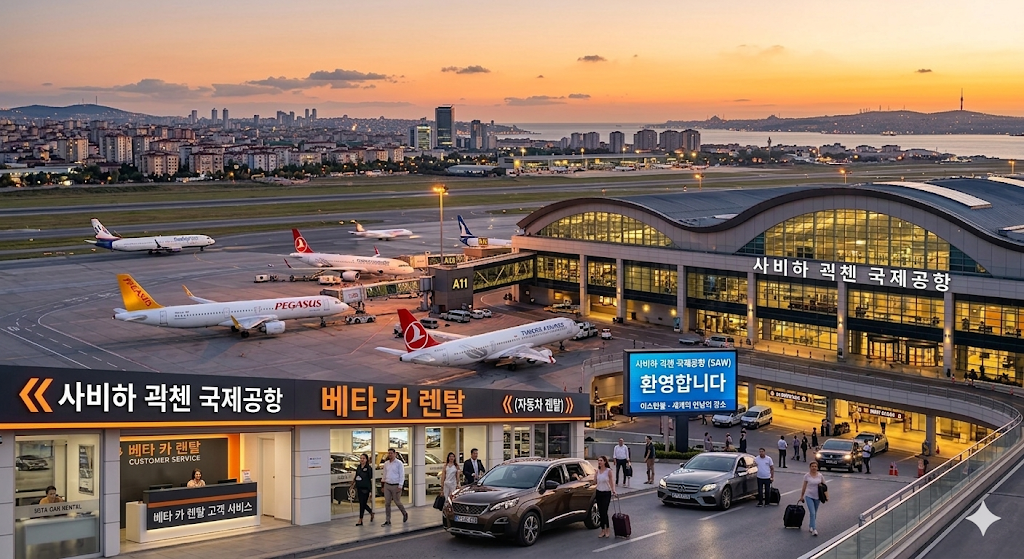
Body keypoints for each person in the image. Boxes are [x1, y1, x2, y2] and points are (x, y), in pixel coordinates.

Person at [381, 448, 408, 526]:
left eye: (391, 453)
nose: (390, 455)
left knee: (397, 501)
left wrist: (400, 485)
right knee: (387, 503)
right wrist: (382, 485)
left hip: (396, 485)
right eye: (388, 453)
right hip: (387, 485)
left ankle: (404, 513)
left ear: (395, 454)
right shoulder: (386, 464)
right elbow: (384, 474)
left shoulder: (399, 463)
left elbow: (401, 475)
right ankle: (388, 520)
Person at [799, 461, 827, 537]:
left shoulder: (820, 476)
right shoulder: (807, 476)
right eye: (812, 466)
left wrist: (826, 496)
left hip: (818, 496)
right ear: (810, 467)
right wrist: (802, 496)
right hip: (809, 496)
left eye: (815, 466)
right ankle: (814, 529)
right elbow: (804, 486)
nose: (814, 468)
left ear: (817, 467)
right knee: (812, 512)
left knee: (815, 512)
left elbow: (825, 486)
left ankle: (811, 525)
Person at [594, 456, 616, 538]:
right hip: (599, 492)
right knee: (600, 512)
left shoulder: (608, 471)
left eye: (601, 460)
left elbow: (611, 481)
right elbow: (594, 482)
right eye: (598, 460)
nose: (599, 462)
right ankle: (602, 529)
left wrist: (613, 490)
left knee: (604, 511)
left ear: (605, 462)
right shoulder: (598, 471)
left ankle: (607, 529)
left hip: (606, 493)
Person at [352, 453, 374, 526]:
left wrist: (371, 490)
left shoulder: (368, 468)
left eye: (363, 458)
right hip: (359, 487)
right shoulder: (358, 467)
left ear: (366, 459)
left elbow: (370, 478)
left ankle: (360, 519)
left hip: (366, 488)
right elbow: (356, 475)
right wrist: (353, 483)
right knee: (362, 503)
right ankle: (370, 512)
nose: (362, 460)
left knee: (362, 504)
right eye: (361, 458)